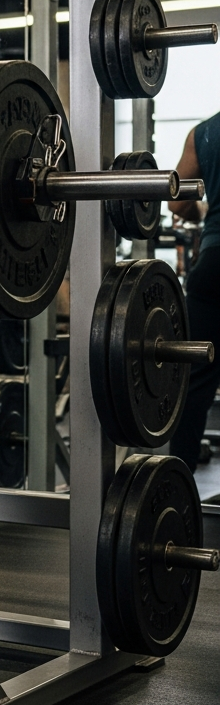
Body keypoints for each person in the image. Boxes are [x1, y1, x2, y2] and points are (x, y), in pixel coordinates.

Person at [168, 112, 220, 472]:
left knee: (194, 385)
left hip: (214, 266)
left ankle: (175, 489)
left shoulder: (203, 132)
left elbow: (177, 201)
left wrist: (203, 209)